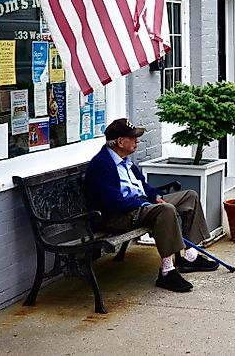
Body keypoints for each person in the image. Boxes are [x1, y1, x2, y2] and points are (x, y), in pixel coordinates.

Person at [84, 118, 219, 293]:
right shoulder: (102, 165)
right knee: (166, 210)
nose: (137, 141)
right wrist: (145, 203)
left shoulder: (125, 161)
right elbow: (113, 203)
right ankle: (167, 271)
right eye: (133, 138)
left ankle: (190, 257)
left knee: (189, 197)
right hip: (118, 215)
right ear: (120, 141)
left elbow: (143, 186)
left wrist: (154, 196)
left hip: (139, 206)